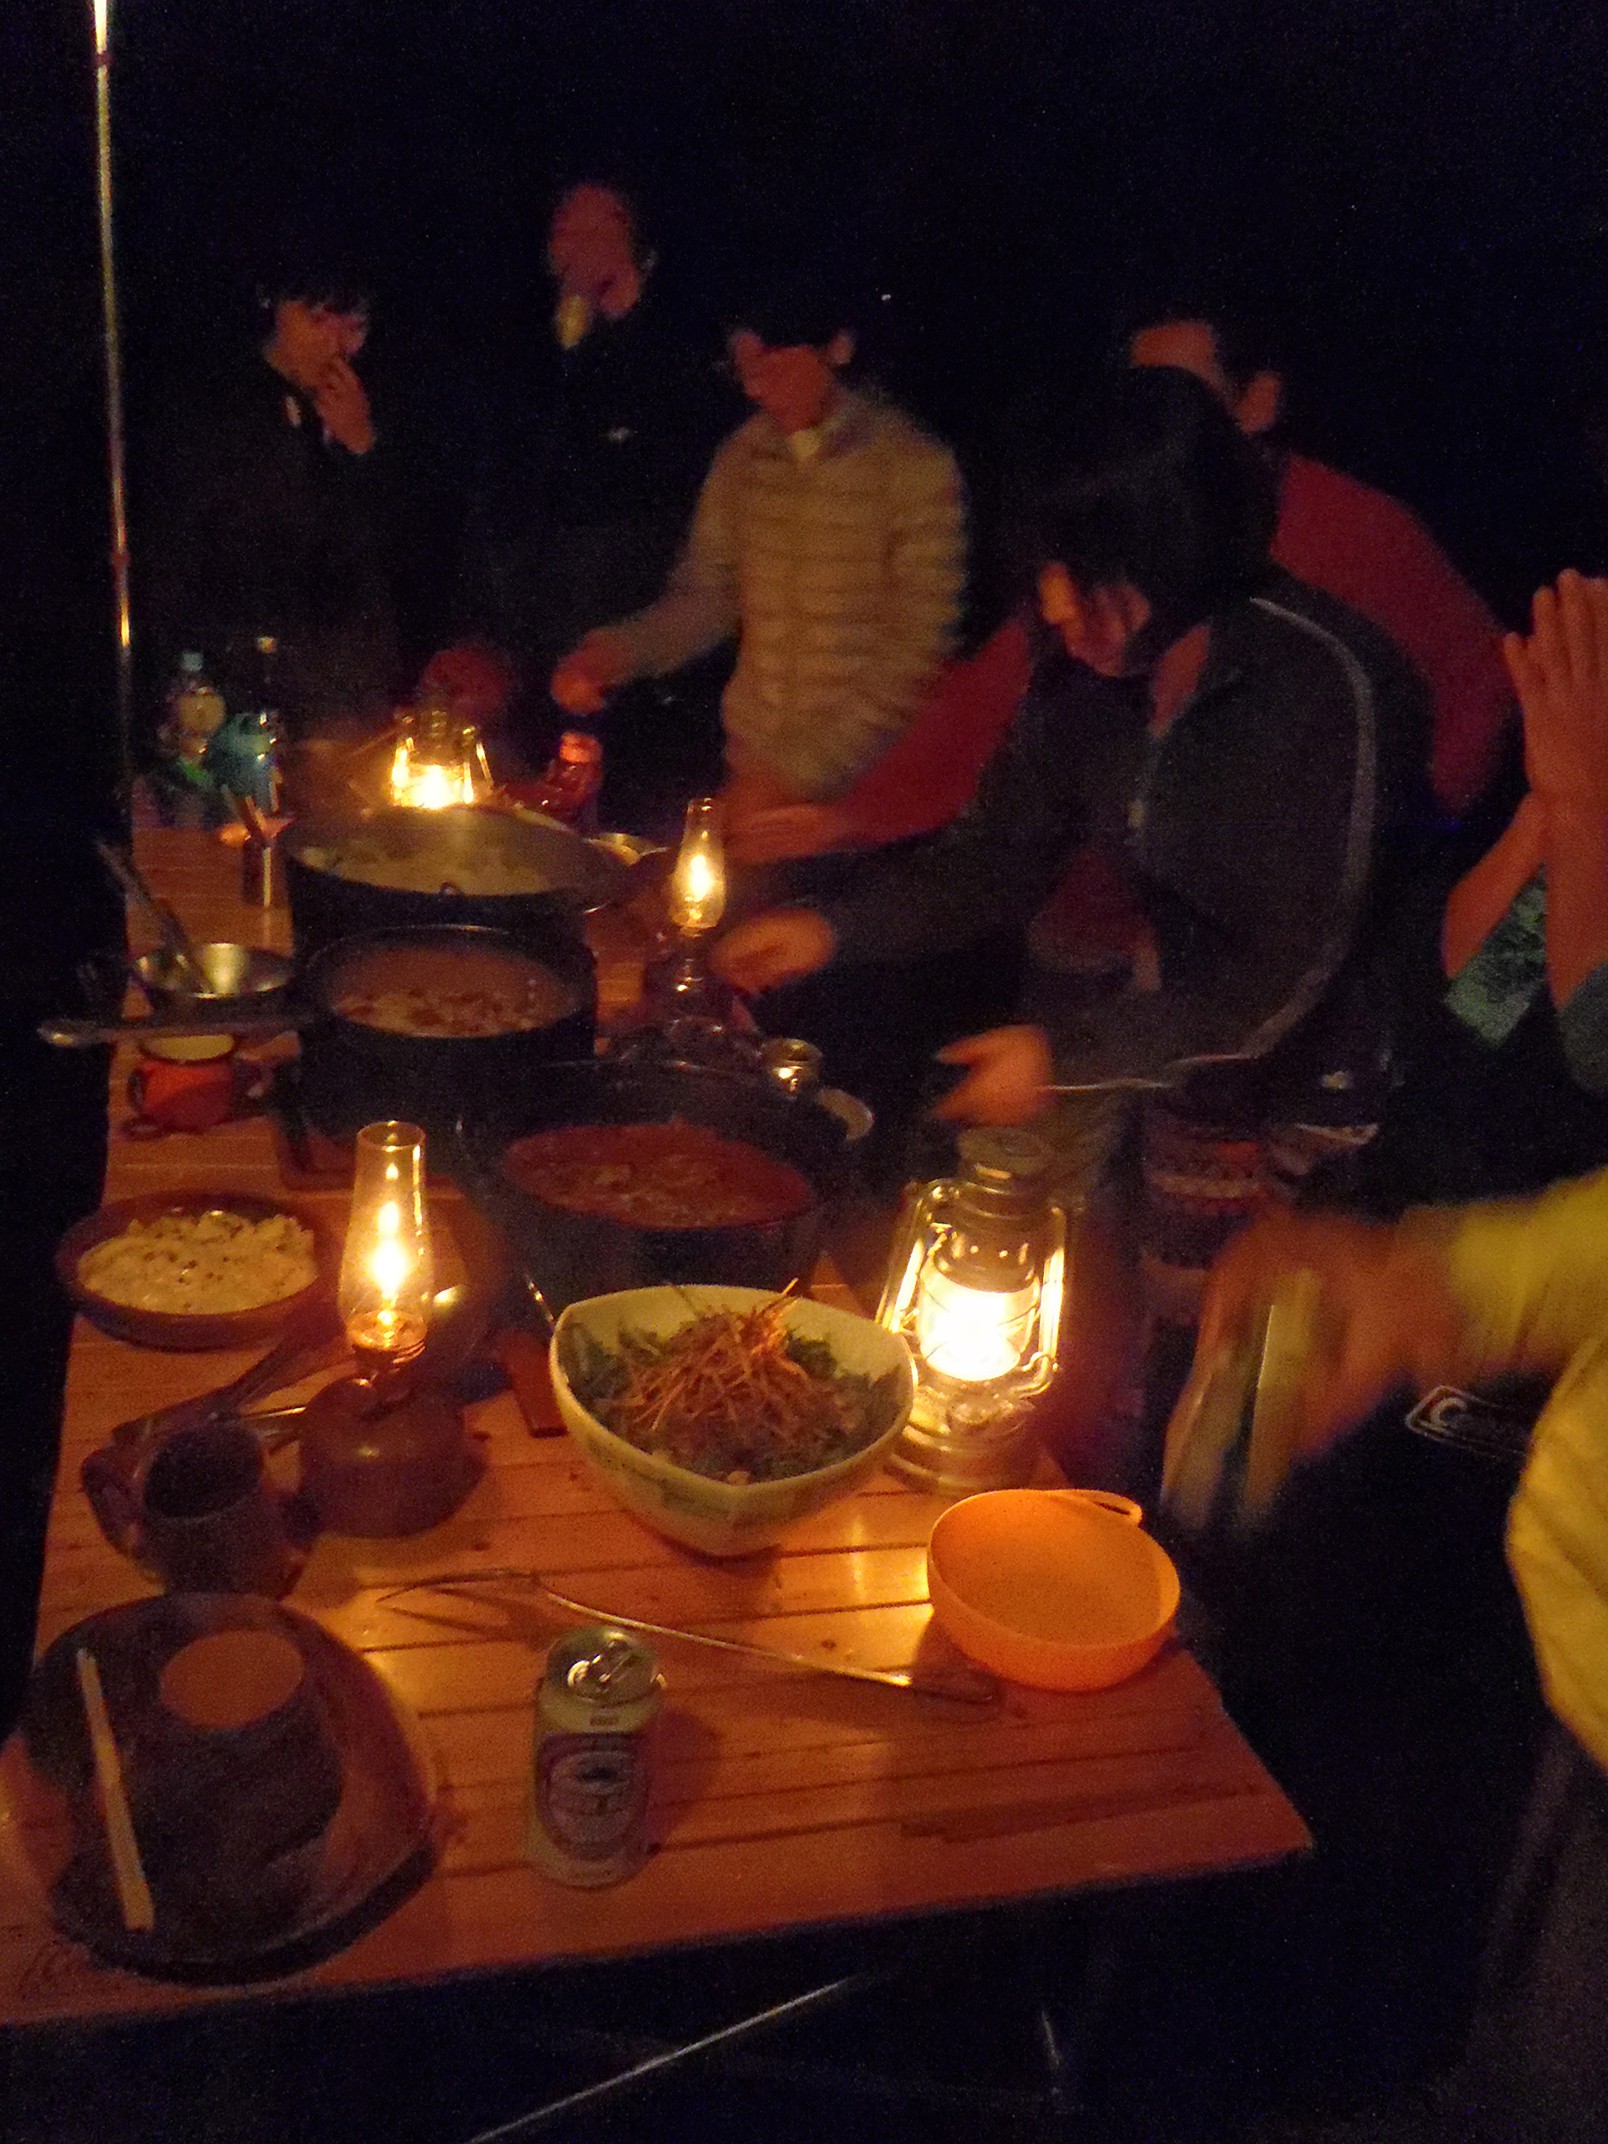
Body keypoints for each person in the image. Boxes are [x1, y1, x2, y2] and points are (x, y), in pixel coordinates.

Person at [715, 367, 1425, 1143]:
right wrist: (828, 930)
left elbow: (1286, 970)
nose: (1055, 604)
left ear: (1173, 550)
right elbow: (996, 854)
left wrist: (1061, 1059)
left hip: (1345, 1093)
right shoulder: (1087, 675)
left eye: (1084, 570)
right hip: (1190, 1057)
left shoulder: (1320, 686)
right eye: (1046, 566)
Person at [549, 262, 967, 817]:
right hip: (752, 770)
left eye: (774, 365)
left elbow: (917, 654)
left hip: (868, 795)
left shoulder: (913, 469)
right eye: (745, 368)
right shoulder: (743, 458)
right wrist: (613, 654)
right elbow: (707, 598)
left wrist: (800, 777)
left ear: (837, 348)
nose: (755, 387)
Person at [1128, 299, 1516, 821]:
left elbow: (1485, 690)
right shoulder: (1137, 537)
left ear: (1260, 402)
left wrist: (1393, 836)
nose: (1154, 428)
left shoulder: (1354, 533)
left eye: (1183, 398)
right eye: (1137, 405)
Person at [447, 179, 735, 813]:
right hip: (536, 647)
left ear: (632, 242)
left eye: (590, 231)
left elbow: (669, 513)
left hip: (636, 659)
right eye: (561, 232)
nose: (569, 248)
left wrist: (619, 649)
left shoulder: (680, 354)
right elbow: (502, 492)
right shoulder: (537, 350)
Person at [139, 256, 403, 740]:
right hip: (251, 691)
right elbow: (189, 565)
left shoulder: (377, 399)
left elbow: (390, 551)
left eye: (355, 327)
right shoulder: (218, 411)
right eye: (317, 320)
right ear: (274, 309)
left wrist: (362, 447)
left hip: (350, 688)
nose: (336, 347)